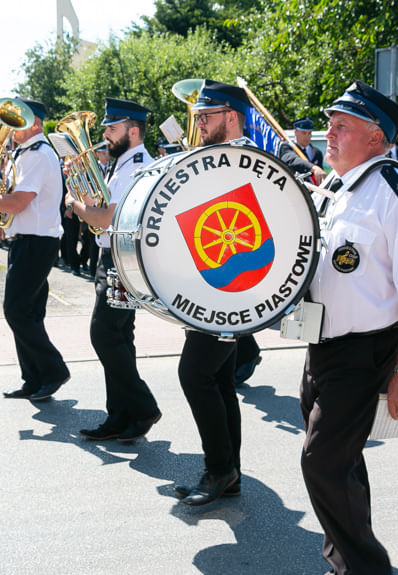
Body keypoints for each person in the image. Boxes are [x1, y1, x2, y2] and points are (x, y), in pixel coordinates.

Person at [301, 80, 398, 575]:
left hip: (365, 353)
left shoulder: (396, 195)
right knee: (341, 463)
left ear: (376, 138)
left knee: (322, 463)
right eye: (331, 125)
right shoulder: (339, 188)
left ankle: (364, 568)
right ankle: (344, 559)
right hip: (322, 346)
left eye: (342, 127)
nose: (329, 135)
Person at [171, 80, 255, 506]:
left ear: (232, 117)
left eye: (206, 116)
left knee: (195, 374)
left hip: (232, 290)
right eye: (198, 117)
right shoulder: (214, 162)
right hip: (208, 288)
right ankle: (230, 473)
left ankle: (219, 469)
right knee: (219, 380)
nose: (198, 123)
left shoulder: (248, 164)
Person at [0, 96, 70, 401]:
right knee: (29, 313)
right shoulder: (24, 153)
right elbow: (8, 196)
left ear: (36, 123)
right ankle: (34, 379)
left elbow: (18, 203)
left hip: (36, 241)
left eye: (19, 121)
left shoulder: (37, 154)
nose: (12, 128)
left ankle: (53, 371)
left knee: (17, 311)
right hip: (29, 240)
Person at [66, 98, 162, 443]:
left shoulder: (137, 167)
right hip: (113, 257)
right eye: (106, 127)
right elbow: (102, 205)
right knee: (120, 337)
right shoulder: (122, 163)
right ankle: (120, 415)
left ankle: (142, 406)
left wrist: (74, 204)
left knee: (104, 335)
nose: (105, 134)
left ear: (133, 131)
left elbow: (105, 217)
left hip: (121, 260)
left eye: (112, 128)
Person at [278, 116, 326, 184]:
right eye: (304, 133)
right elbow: (292, 160)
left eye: (309, 133)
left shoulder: (317, 152)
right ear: (295, 132)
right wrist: (312, 167)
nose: (307, 136)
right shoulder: (287, 147)